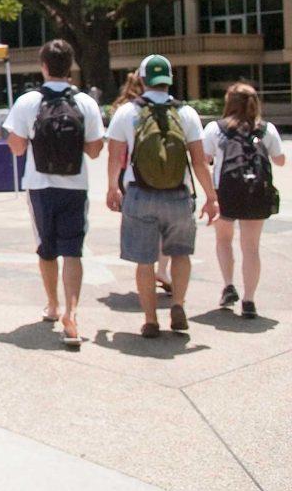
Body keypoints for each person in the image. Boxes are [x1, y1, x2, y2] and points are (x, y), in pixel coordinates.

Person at [106, 54, 218, 338]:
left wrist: (112, 187)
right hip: (178, 196)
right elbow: (199, 161)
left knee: (145, 261)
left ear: (142, 80)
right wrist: (211, 196)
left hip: (140, 194)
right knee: (180, 254)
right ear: (169, 80)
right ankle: (178, 304)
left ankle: (150, 319)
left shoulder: (126, 113)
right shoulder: (187, 113)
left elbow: (115, 156)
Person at [4, 40, 104, 346]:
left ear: (43, 66)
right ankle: (72, 313)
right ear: (71, 66)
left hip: (40, 185)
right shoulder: (85, 103)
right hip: (75, 186)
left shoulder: (28, 101)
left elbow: (17, 147)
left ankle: (52, 304)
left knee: (46, 249)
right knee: (73, 250)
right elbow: (96, 150)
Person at [202, 82, 284, 318]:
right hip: (256, 193)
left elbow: (205, 158)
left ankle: (228, 286)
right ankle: (249, 300)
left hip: (225, 192)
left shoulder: (215, 129)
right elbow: (280, 160)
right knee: (251, 248)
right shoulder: (266, 129)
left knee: (224, 240)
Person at [109, 73, 172, 292]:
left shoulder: (125, 109)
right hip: (165, 172)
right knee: (165, 226)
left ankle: (148, 268)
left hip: (132, 174)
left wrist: (112, 186)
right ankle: (163, 269)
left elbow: (115, 151)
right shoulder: (168, 108)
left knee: (144, 224)